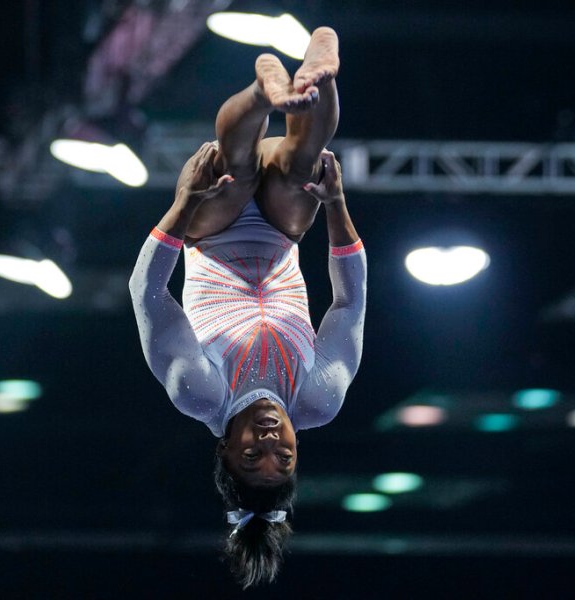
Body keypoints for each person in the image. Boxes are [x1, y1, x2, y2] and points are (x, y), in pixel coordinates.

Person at [129, 27, 366, 588]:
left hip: (211, 235)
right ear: (297, 449)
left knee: (230, 168)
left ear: (226, 451)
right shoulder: (318, 397)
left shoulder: (200, 392)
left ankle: (266, 93)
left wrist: (183, 204)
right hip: (284, 234)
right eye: (282, 459)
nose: (269, 442)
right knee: (304, 164)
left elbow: (147, 293)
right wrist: (336, 205)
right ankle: (315, 74)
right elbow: (349, 303)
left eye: (251, 457)